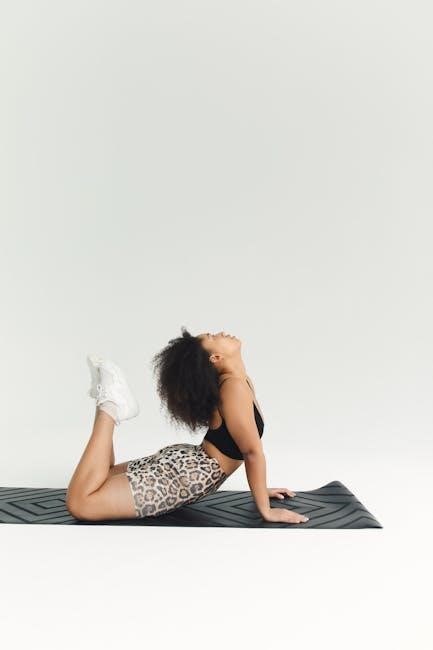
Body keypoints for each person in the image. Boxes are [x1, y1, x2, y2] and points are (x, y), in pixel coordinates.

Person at [65, 327, 309, 524]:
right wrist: (266, 510)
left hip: (188, 463)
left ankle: (109, 396)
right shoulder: (234, 387)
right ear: (216, 358)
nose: (221, 333)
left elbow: (248, 449)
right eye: (214, 337)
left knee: (100, 477)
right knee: (81, 503)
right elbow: (252, 452)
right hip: (191, 475)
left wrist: (261, 490)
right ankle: (109, 403)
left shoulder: (238, 382)